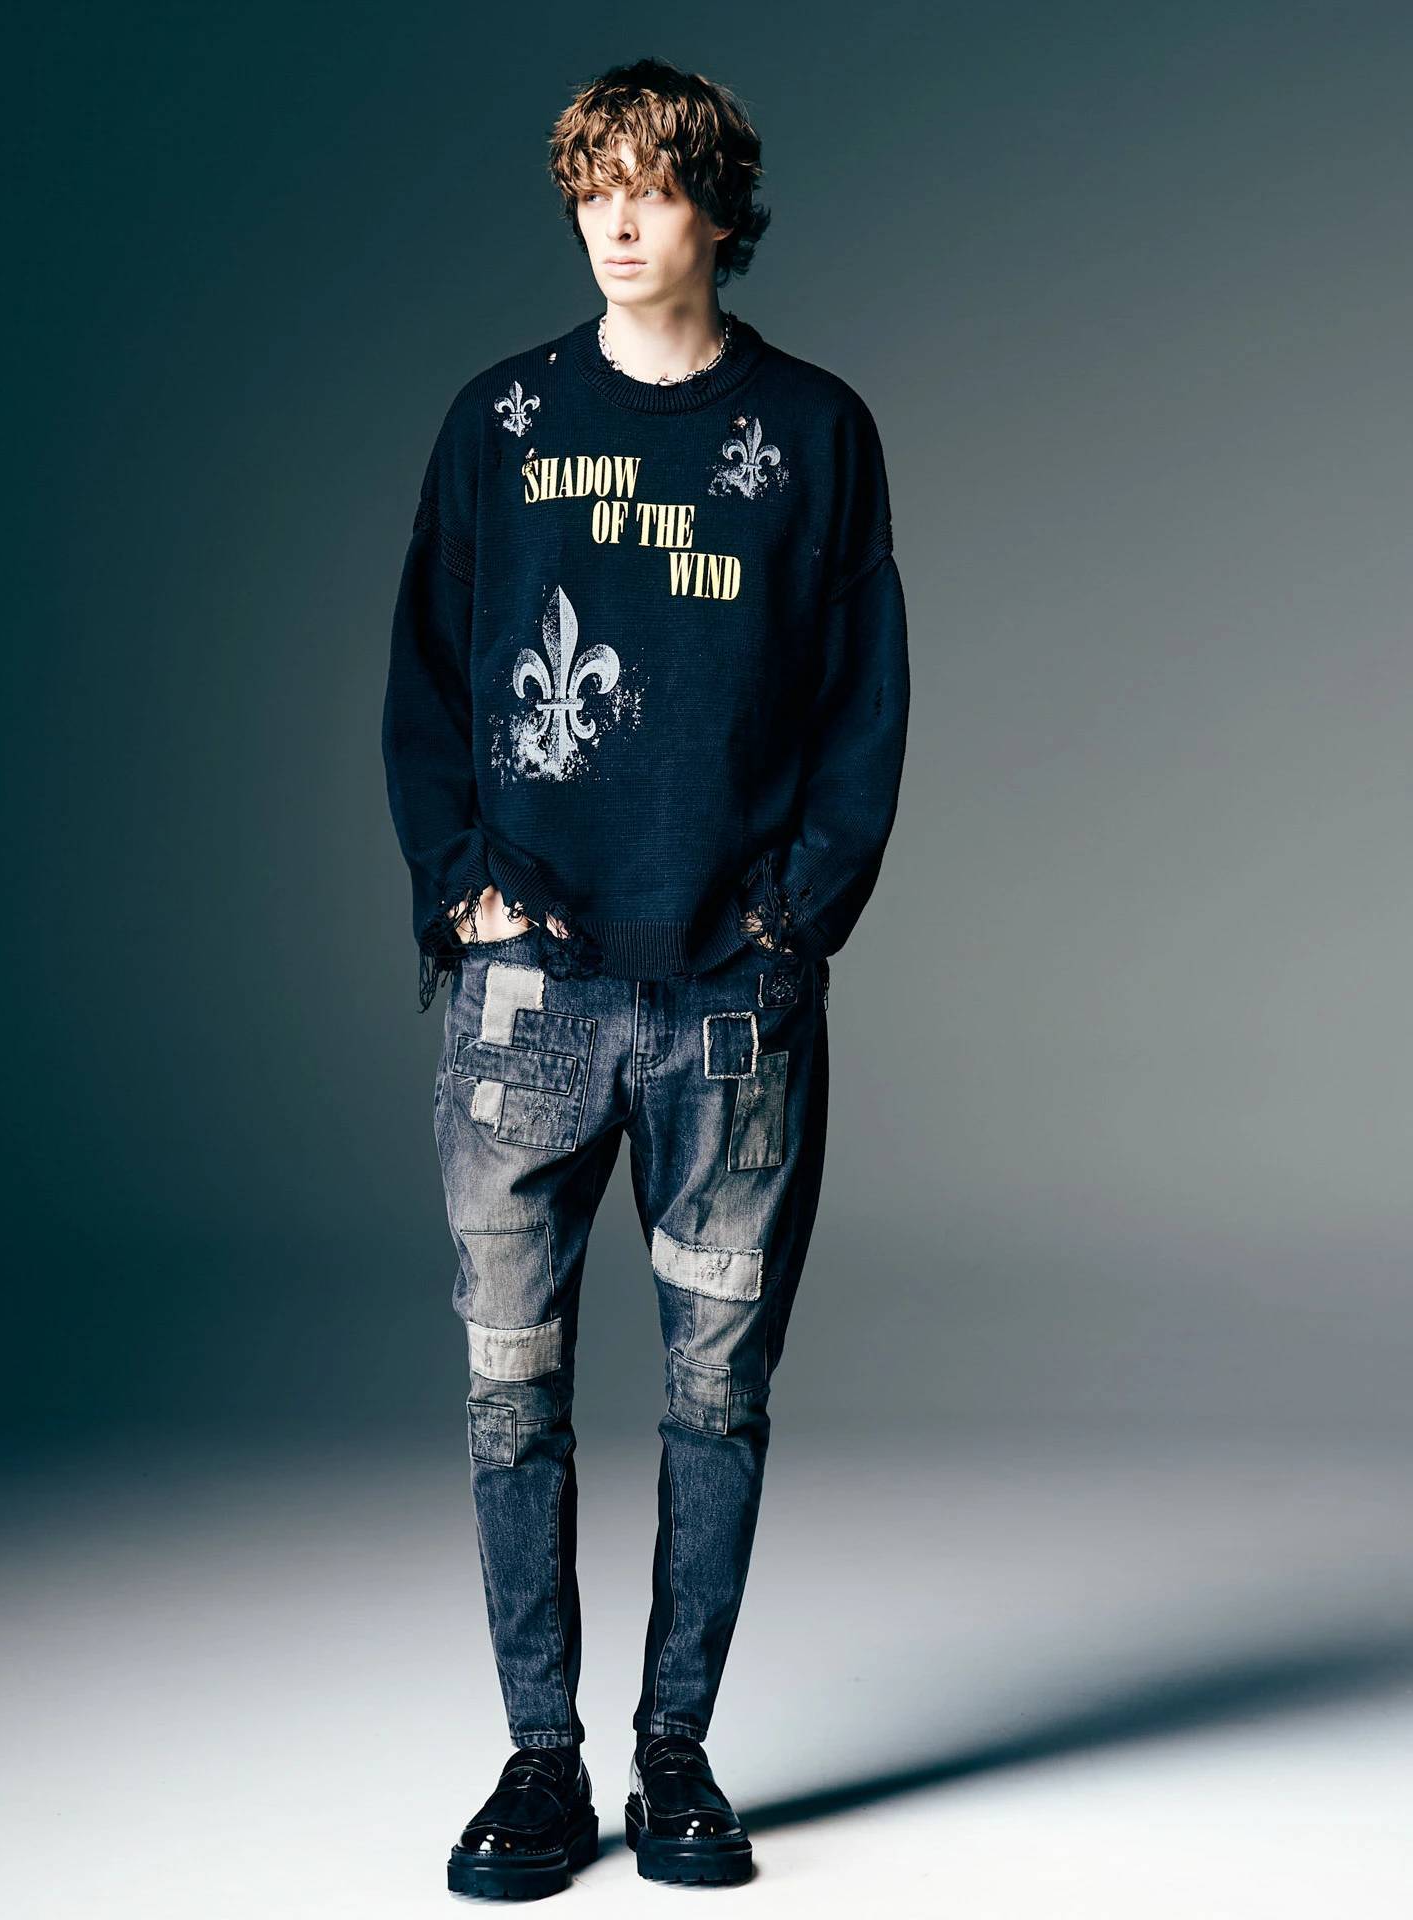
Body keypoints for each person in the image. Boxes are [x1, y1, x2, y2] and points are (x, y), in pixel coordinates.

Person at [381, 55, 910, 1898]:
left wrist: (795, 918)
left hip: (729, 1007)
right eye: (594, 184)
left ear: (718, 211)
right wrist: (460, 891)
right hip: (529, 1002)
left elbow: (862, 704)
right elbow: (427, 675)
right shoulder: (500, 424)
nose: (617, 219)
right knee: (510, 1393)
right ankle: (541, 1761)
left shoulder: (816, 434)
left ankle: (674, 1753)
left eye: (656, 185)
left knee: (716, 1395)